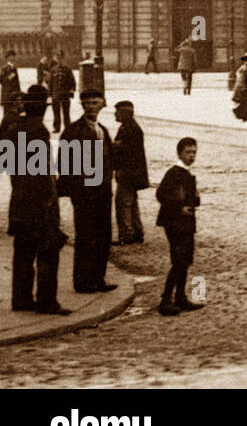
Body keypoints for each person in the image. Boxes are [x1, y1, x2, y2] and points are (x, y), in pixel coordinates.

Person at [9, 85, 70, 316]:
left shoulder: (14, 128)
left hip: (19, 200)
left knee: (23, 252)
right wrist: (49, 203)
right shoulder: (39, 131)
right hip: (39, 203)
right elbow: (42, 172)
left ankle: (21, 298)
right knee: (47, 252)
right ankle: (47, 302)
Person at [57, 88, 117, 294]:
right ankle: (82, 281)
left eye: (95, 103)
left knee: (103, 236)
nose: (91, 107)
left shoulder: (103, 130)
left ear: (102, 104)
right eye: (87, 103)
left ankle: (98, 278)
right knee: (85, 237)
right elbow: (64, 164)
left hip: (103, 192)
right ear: (82, 106)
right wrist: (75, 191)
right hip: (84, 194)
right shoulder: (73, 131)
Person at [156, 138, 202, 315]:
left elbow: (193, 200)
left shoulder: (187, 174)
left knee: (185, 260)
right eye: (188, 152)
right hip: (175, 223)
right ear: (179, 153)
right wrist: (179, 207)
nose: (191, 156)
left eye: (194, 152)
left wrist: (194, 199)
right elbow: (161, 194)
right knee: (179, 261)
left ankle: (180, 297)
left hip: (186, 223)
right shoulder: (174, 173)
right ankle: (166, 299)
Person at [111, 101, 150, 244]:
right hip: (134, 174)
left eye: (117, 112)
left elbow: (124, 151)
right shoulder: (131, 127)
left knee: (123, 204)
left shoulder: (128, 129)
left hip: (127, 174)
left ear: (125, 113)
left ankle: (127, 235)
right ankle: (137, 232)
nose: (115, 114)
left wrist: (114, 147)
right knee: (132, 204)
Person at [49, 50, 75, 134]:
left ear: (63, 59)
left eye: (61, 59)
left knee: (66, 112)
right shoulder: (53, 70)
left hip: (65, 94)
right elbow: (50, 83)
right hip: (56, 94)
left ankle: (67, 127)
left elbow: (72, 82)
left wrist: (71, 91)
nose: (59, 60)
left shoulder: (68, 70)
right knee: (56, 112)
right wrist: (50, 94)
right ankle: (57, 127)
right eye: (58, 58)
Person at [232, 52, 247, 122]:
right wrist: (243, 88)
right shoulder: (244, 69)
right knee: (244, 102)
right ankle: (244, 116)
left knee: (246, 102)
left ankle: (246, 116)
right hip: (242, 87)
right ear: (246, 61)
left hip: (245, 87)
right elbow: (241, 79)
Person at [0, 50, 20, 130]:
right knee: (7, 114)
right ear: (7, 58)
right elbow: (2, 80)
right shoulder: (4, 68)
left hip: (14, 96)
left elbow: (17, 83)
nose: (13, 58)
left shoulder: (14, 68)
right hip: (7, 96)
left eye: (14, 56)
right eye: (11, 56)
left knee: (15, 114)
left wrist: (19, 94)